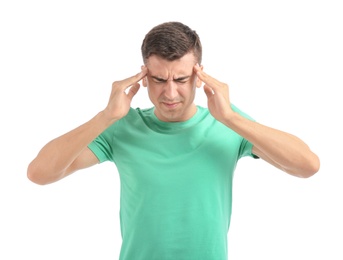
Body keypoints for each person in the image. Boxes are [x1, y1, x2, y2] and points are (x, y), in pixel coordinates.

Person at [27, 21, 320, 260]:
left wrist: (230, 118)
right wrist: (106, 116)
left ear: (199, 76)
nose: (169, 93)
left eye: (180, 80)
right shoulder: (120, 127)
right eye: (158, 79)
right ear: (143, 76)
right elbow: (39, 173)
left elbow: (307, 166)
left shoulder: (228, 123)